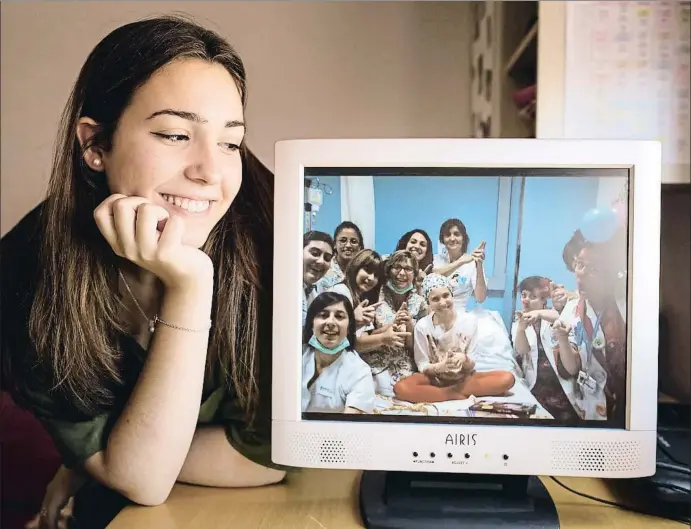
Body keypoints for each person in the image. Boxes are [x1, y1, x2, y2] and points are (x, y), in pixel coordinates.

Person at [1, 15, 285, 527]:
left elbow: (275, 452)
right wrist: (191, 284)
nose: (210, 172)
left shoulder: (277, 239)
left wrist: (103, 464)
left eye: (229, 142)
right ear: (95, 145)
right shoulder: (27, 274)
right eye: (175, 135)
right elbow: (144, 480)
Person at [393, 274, 515, 403]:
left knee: (507, 378)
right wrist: (441, 367)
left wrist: (464, 359)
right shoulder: (422, 326)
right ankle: (449, 394)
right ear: (428, 303)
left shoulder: (469, 321)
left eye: (446, 296)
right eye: (435, 299)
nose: (442, 302)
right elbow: (422, 365)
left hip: (463, 379)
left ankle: (445, 393)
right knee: (400, 388)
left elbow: (472, 361)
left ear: (452, 295)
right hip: (434, 379)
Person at [552, 228, 628, 425]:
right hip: (589, 411)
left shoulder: (625, 306)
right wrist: (562, 338)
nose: (582, 275)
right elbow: (570, 369)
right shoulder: (572, 310)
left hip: (625, 414)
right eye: (579, 265)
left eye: (593, 269)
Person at [431, 218, 516, 368]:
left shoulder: (472, 262)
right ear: (442, 239)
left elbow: (480, 298)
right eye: (447, 234)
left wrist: (478, 265)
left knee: (487, 336)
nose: (452, 238)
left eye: (456, 234)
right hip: (435, 311)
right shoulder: (436, 260)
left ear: (463, 238)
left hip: (459, 312)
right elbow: (432, 276)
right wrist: (461, 261)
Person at [511, 276, 580, 422]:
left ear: (544, 301)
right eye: (523, 295)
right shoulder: (518, 323)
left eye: (533, 297)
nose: (526, 300)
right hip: (536, 388)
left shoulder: (552, 316)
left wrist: (538, 314)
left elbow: (559, 317)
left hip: (562, 388)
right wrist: (521, 330)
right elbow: (522, 350)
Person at [359, 250, 427, 396]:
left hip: (405, 367)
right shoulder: (373, 295)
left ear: (414, 274)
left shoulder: (420, 303)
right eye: (397, 267)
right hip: (375, 365)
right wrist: (389, 327)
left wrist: (409, 326)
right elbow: (359, 341)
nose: (402, 273)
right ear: (388, 270)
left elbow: (419, 348)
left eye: (408, 269)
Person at [301, 292, 375, 414]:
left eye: (339, 316)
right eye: (323, 315)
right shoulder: (296, 357)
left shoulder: (360, 372)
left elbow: (348, 425)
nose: (330, 322)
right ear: (311, 324)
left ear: (349, 327)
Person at [329, 249, 384, 334]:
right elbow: (331, 332)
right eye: (368, 271)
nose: (371, 278)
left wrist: (391, 328)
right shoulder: (340, 291)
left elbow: (365, 337)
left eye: (376, 275)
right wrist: (353, 319)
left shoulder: (362, 299)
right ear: (355, 267)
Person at [318, 221, 364, 290]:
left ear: (359, 247)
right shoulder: (324, 269)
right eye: (343, 240)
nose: (348, 245)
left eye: (353, 241)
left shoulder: (363, 272)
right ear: (334, 244)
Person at [302, 231, 334, 326]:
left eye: (327, 258)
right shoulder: (284, 286)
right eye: (315, 253)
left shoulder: (313, 293)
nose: (321, 261)